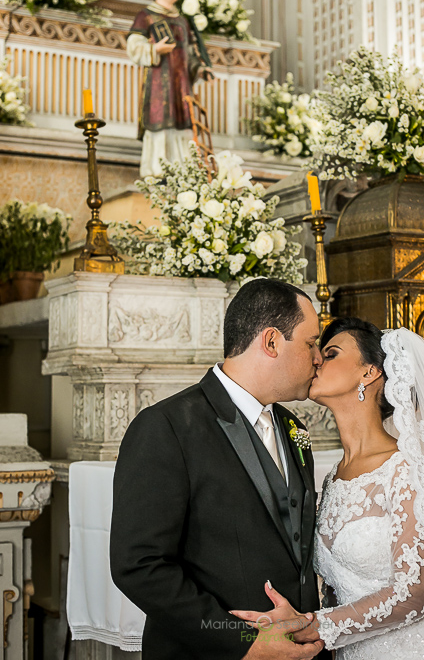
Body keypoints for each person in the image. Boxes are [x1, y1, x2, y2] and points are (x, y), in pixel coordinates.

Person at [232, 318, 424, 659]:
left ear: (369, 373)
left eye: (330, 353)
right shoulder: (333, 476)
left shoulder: (405, 469)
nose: (316, 359)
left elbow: (414, 592)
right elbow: (336, 586)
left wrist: (312, 625)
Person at [110, 278, 330, 660]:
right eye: (311, 343)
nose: (318, 358)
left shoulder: (295, 429)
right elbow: (139, 565)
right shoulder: (166, 427)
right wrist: (243, 642)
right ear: (272, 341)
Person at [127, 0, 212, 178]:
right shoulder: (146, 15)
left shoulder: (182, 20)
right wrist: (155, 50)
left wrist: (199, 69)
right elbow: (133, 45)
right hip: (158, 81)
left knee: (182, 120)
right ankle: (157, 170)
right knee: (160, 119)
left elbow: (190, 53)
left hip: (181, 82)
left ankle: (184, 171)